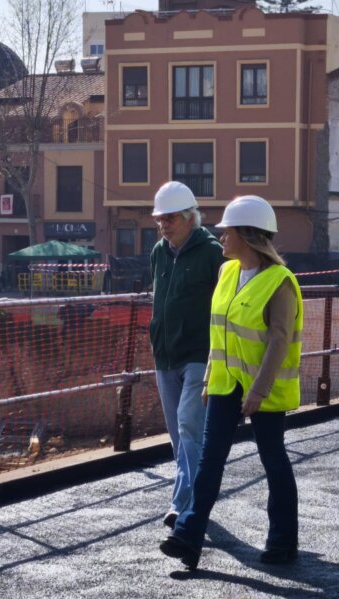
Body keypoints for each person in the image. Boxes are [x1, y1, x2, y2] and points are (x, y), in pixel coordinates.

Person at [159, 195, 304, 571]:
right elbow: (219, 333)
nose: (221, 237)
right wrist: (209, 377)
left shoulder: (279, 282)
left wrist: (259, 389)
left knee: (273, 459)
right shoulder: (227, 273)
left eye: (227, 232)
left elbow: (279, 339)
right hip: (225, 384)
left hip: (262, 388)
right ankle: (187, 537)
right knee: (210, 461)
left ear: (248, 235)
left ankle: (283, 541)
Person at [149, 181, 224, 528]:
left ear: (190, 217)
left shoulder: (212, 252)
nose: (164, 225)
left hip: (199, 354)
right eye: (160, 219)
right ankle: (197, 497)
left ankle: (182, 507)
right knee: (178, 436)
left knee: (189, 428)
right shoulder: (158, 253)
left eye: (170, 219)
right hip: (165, 355)